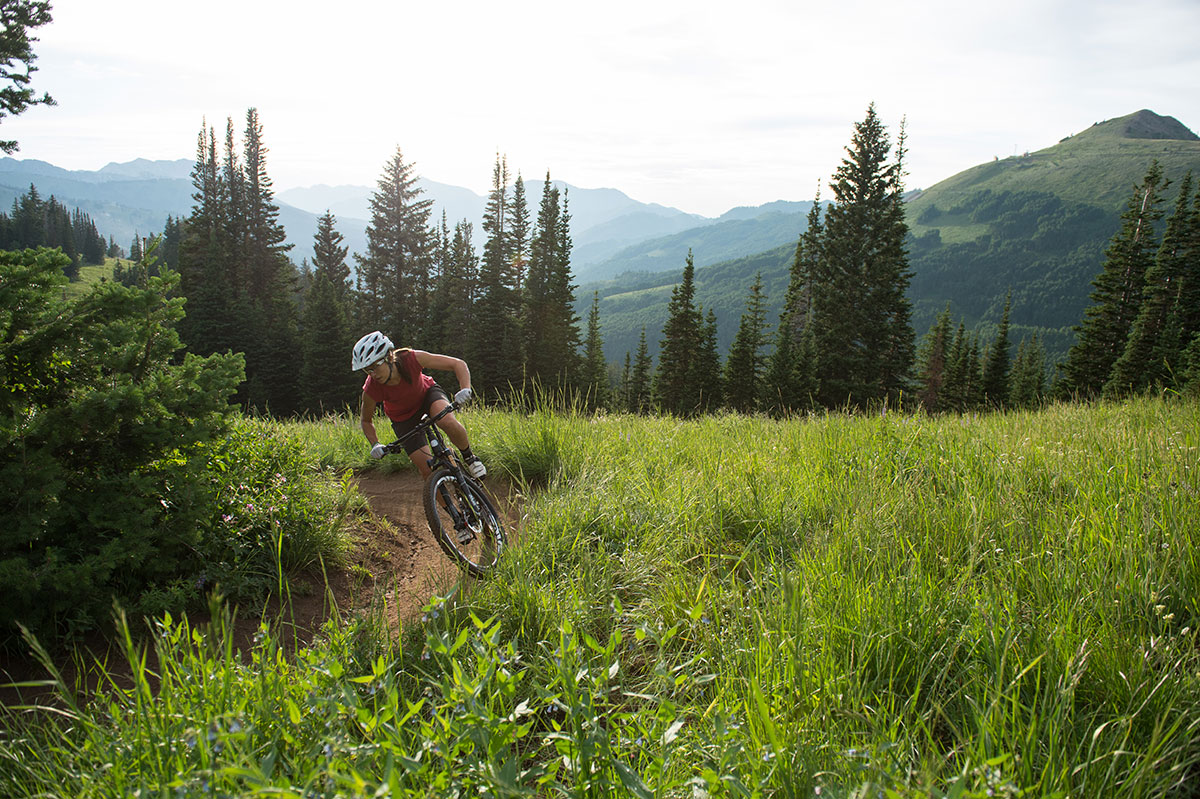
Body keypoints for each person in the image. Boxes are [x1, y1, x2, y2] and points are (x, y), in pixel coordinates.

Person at [352, 331, 487, 480]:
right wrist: (375, 444)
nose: (372, 374)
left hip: (427, 395)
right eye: (367, 370)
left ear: (389, 357)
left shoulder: (411, 358)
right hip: (403, 418)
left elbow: (457, 364)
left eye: (375, 366)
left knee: (447, 421)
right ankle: (440, 495)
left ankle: (470, 458)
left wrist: (465, 389)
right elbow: (366, 420)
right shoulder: (371, 388)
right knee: (427, 471)